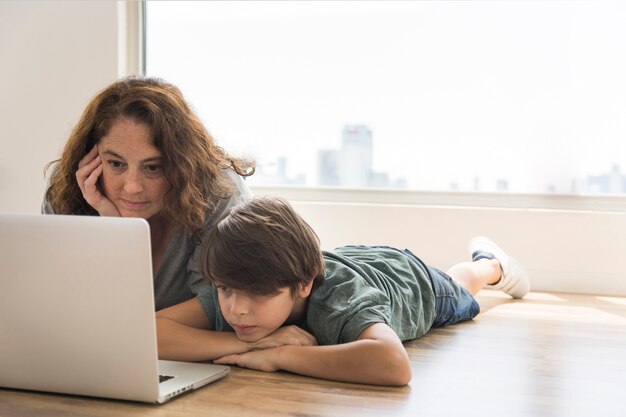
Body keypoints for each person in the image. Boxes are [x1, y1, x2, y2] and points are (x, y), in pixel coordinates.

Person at [155, 197, 530, 386]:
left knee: (463, 283)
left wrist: (281, 355)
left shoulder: (338, 301)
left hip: (414, 281)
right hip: (351, 261)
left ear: (303, 284)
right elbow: (150, 331)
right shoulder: (240, 282)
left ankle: (491, 263)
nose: (237, 310)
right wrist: (248, 345)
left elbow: (394, 365)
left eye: (258, 295)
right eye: (225, 290)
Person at [43, 76, 254, 311]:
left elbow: (218, 313)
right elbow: (63, 307)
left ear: (182, 166)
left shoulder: (218, 192)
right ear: (92, 158)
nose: (132, 186)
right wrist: (114, 229)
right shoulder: (67, 188)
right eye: (115, 164)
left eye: (153, 167)